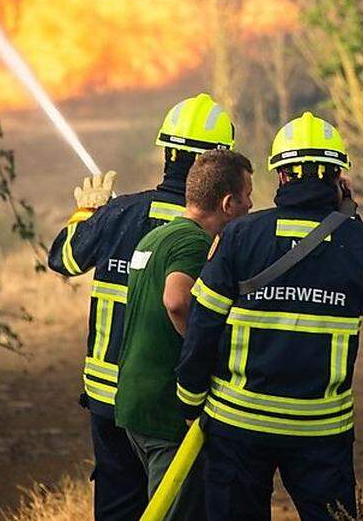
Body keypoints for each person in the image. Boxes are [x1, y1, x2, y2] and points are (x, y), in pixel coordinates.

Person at [175, 112, 363, 521]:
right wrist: (352, 217)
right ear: (338, 176)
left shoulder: (241, 234)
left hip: (238, 425)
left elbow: (204, 322)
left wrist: (190, 396)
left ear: (280, 176)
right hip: (320, 432)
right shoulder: (360, 241)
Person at [47, 93, 236, 520]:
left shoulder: (119, 213)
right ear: (216, 164)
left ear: (167, 151)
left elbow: (64, 258)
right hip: (166, 400)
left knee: (118, 504)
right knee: (173, 504)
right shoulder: (218, 230)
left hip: (105, 394)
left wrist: (85, 214)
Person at [116, 149, 255, 520]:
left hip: (134, 402)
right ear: (228, 203)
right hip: (167, 410)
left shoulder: (156, 237)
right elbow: (176, 301)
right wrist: (204, 354)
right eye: (247, 196)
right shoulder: (193, 242)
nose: (251, 204)